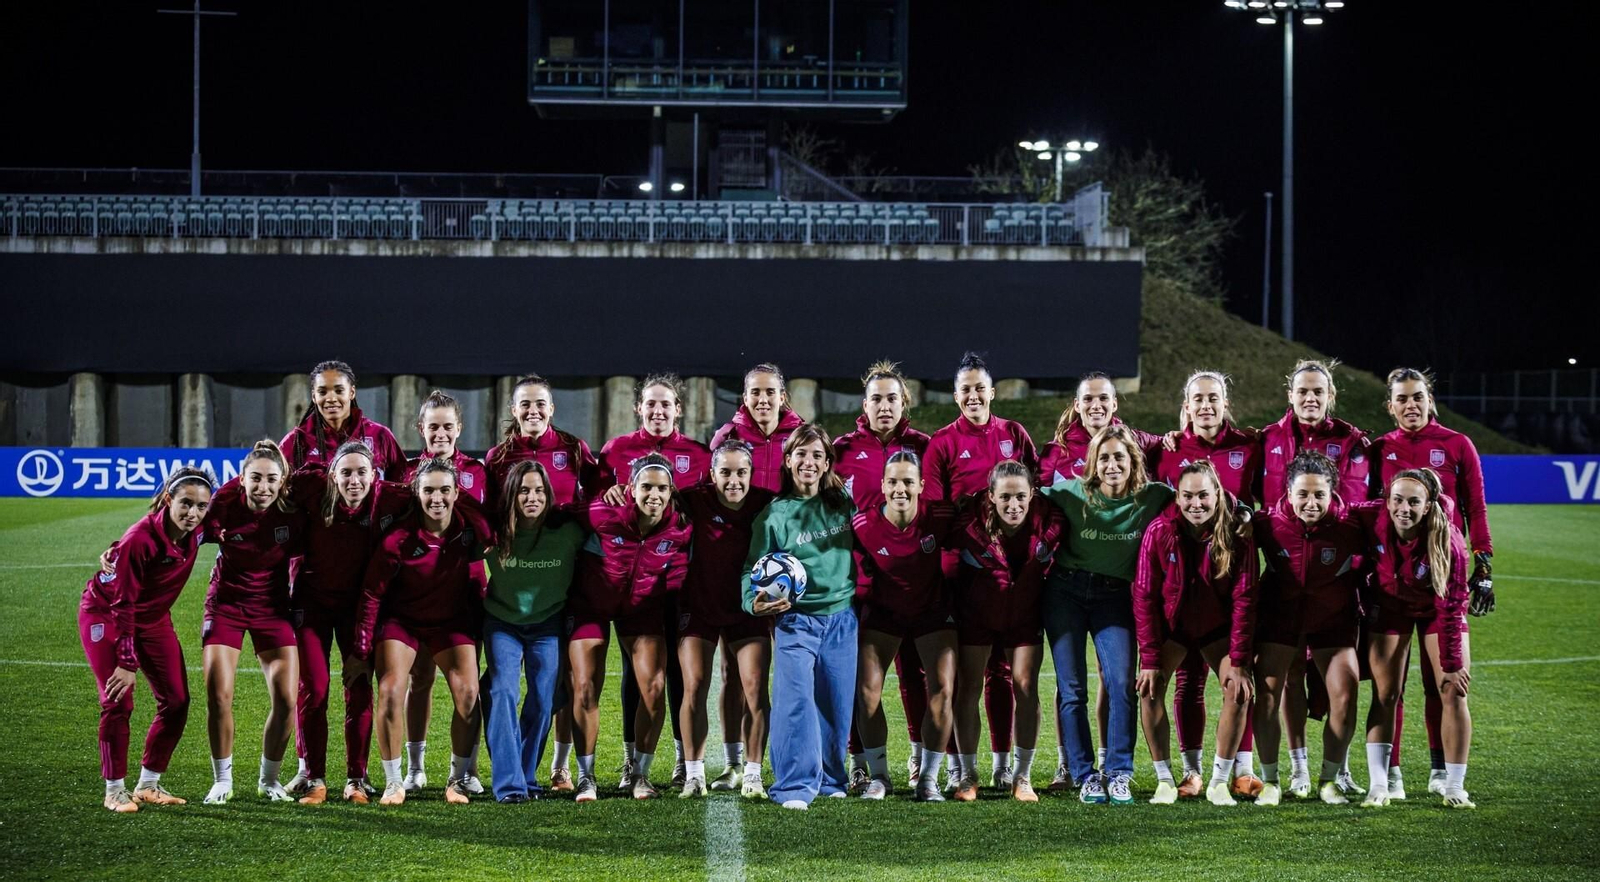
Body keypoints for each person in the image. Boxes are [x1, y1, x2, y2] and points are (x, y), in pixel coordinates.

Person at [1369, 367, 1495, 798]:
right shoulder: (1380, 449)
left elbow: (1475, 509)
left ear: (1430, 399)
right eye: (1402, 399)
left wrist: (1484, 565)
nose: (1411, 405)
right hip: (1394, 580)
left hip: (1443, 575)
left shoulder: (1457, 444)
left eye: (1417, 397)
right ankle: (1394, 771)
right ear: (1390, 406)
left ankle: (1441, 770)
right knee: (1392, 686)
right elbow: (1369, 509)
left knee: (1438, 681)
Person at [1036, 371, 1162, 790]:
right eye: (1104, 459)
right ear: (1092, 464)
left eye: (1120, 459)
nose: (1112, 465)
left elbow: (1204, 492)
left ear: (1133, 462)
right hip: (1066, 593)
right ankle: (1083, 774)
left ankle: (1120, 772)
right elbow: (1015, 497)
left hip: (1114, 597)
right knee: (1072, 690)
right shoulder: (1070, 491)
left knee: (1122, 683)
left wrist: (1245, 513)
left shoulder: (1152, 495)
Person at [922, 352, 1037, 792]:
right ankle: (964, 770)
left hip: (1020, 574)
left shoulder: (1013, 433)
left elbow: (1035, 493)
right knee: (971, 677)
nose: (973, 395)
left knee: (1013, 677)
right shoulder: (943, 442)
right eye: (965, 389)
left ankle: (1008, 767)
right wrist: (969, 525)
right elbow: (935, 508)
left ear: (992, 391)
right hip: (967, 575)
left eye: (979, 387)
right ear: (956, 396)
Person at [1260, 359, 1374, 797]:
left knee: (1348, 687)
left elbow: (1394, 512)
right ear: (1290, 394)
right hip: (1284, 604)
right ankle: (1293, 770)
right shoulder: (1265, 519)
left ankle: (1335, 773)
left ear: (1331, 396)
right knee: (1282, 683)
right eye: (1302, 391)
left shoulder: (1353, 450)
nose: (1310, 398)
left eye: (1318, 391)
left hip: (1335, 600)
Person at [1150, 370, 1264, 799]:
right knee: (1188, 682)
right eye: (1197, 398)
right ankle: (1192, 771)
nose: (1205, 405)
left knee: (1240, 674)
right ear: (1186, 405)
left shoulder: (1249, 447)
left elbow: (1267, 502)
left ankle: (1242, 769)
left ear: (1225, 402)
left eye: (1213, 398)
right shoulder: (1169, 451)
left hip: (1227, 581)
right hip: (1179, 589)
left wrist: (1252, 519)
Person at [355, 457, 492, 806]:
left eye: (445, 490)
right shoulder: (398, 538)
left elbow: (492, 531)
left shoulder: (469, 530)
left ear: (456, 492)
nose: (437, 498)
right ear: (416, 493)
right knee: (390, 690)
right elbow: (372, 593)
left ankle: (458, 779)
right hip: (403, 622)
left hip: (451, 622)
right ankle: (393, 781)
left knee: (468, 694)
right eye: (428, 490)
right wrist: (361, 649)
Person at [597, 373, 711, 791]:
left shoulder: (699, 455)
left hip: (683, 583)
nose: (659, 411)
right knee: (636, 672)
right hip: (637, 586)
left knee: (682, 672)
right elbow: (597, 503)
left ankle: (684, 760)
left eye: (667, 404)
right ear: (638, 408)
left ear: (678, 409)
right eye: (651, 404)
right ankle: (632, 762)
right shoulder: (616, 451)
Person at [283, 440, 413, 805]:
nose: (354, 480)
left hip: (359, 609)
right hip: (312, 607)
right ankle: (314, 777)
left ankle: (356, 778)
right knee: (316, 689)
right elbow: (266, 477)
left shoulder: (389, 498)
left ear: (375, 475)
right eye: (346, 473)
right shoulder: (313, 490)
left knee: (358, 687)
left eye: (361, 472)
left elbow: (436, 496)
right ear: (331, 476)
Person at [79, 467, 214, 812]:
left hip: (152, 618)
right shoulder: (141, 539)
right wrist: (126, 664)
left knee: (177, 700)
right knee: (118, 699)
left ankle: (149, 785)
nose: (193, 513)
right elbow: (124, 605)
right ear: (168, 499)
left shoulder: (199, 530)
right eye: (185, 503)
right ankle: (114, 790)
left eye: (201, 506)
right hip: (107, 613)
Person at [741, 424, 859, 810]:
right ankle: (794, 786)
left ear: (827, 463)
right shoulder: (773, 516)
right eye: (801, 454)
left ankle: (829, 778)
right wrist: (752, 601)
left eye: (817, 456)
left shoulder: (842, 501)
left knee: (835, 703)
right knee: (795, 702)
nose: (809, 462)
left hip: (843, 618)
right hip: (797, 622)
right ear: (788, 460)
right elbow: (751, 571)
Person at [1132, 461, 1259, 807]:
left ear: (1217, 494)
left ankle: (1219, 781)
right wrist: (1150, 659)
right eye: (1187, 496)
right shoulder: (1159, 531)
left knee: (1238, 690)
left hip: (1216, 629)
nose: (1196, 503)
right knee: (1149, 689)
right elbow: (1144, 596)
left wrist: (1240, 661)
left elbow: (1244, 599)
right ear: (1178, 496)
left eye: (1203, 495)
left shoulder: (1237, 532)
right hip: (1174, 629)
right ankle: (1164, 780)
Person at [568, 453, 693, 802]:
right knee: (585, 687)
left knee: (654, 689)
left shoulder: (680, 526)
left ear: (671, 492)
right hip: (590, 606)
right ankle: (585, 776)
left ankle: (639, 773)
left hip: (640, 610)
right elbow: (559, 514)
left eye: (662, 488)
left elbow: (682, 567)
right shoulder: (602, 512)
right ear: (631, 488)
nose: (654, 494)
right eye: (646, 487)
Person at [832, 360, 933, 788]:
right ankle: (859, 761)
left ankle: (916, 756)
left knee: (916, 674)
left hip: (915, 580)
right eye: (877, 398)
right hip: (858, 586)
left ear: (904, 402)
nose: (884, 405)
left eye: (893, 398)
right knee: (860, 679)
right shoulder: (842, 450)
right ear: (864, 404)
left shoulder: (926, 447)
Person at [1250, 451, 1366, 806]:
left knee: (1345, 692)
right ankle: (1272, 780)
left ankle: (1329, 780)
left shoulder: (1351, 525)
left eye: (1319, 494)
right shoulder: (1266, 524)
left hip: (1332, 620)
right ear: (1287, 492)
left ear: (1333, 493)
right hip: (1280, 618)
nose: (1311, 502)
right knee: (1267, 694)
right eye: (1303, 494)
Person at [194, 440, 305, 805]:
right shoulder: (223, 505)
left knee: (288, 699)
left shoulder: (292, 512)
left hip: (272, 608)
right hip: (226, 604)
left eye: (271, 479)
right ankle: (222, 780)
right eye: (255, 478)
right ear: (241, 479)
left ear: (283, 480)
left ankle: (269, 780)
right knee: (219, 694)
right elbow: (182, 530)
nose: (263, 487)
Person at [1358, 468, 1474, 808]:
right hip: (1390, 608)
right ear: (1387, 500)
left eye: (1413, 502)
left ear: (1427, 506)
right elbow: (1336, 511)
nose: (1403, 508)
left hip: (1436, 613)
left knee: (1452, 689)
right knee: (1385, 693)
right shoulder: (1373, 515)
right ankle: (1381, 784)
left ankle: (1454, 786)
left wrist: (1452, 665)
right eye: (1397, 500)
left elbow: (1451, 609)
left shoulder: (1449, 543)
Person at [949, 462, 1065, 803]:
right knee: (969, 686)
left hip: (1025, 615)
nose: (1013, 505)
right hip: (977, 615)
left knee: (1026, 685)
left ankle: (1022, 776)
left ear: (1032, 495)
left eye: (1020, 497)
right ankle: (969, 775)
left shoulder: (1051, 521)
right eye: (1005, 497)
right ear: (990, 496)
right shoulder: (968, 523)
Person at [849, 450, 958, 802]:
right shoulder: (863, 525)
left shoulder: (940, 515)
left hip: (931, 611)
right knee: (866, 692)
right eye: (893, 481)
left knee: (942, 689)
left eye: (908, 482)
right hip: (884, 612)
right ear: (882, 485)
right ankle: (879, 776)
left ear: (921, 486)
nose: (900, 488)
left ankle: (927, 779)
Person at [674, 441, 777, 798]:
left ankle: (750, 773)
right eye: (726, 472)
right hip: (699, 606)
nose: (734, 480)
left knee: (752, 687)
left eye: (741, 472)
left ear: (751, 473)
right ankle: (693, 774)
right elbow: (648, 497)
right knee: (696, 684)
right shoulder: (693, 499)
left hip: (747, 609)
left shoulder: (766, 502)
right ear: (712, 474)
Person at [399, 390, 490, 798]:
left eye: (447, 426)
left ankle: (462, 770)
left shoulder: (478, 471)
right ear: (421, 428)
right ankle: (416, 767)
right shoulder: (405, 473)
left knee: (466, 686)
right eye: (432, 426)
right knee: (419, 679)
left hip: (466, 591)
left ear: (459, 429)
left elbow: (488, 526)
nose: (439, 432)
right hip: (416, 592)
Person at [480, 461, 586, 803]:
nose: (532, 496)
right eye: (524, 490)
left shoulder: (567, 531)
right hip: (502, 623)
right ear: (512, 494)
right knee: (502, 691)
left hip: (548, 624)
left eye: (539, 490)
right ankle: (510, 786)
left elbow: (603, 518)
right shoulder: (494, 532)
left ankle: (525, 776)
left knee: (543, 699)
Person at [279, 360, 406, 476]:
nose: (331, 399)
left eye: (339, 391)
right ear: (314, 396)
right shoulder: (295, 442)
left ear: (352, 392)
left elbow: (402, 485)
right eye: (322, 392)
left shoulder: (380, 436)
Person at [710, 363, 805, 493]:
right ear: (745, 399)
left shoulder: (802, 436)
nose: (763, 400)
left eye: (770, 392)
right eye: (755, 392)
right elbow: (711, 485)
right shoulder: (728, 436)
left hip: (788, 513)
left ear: (782, 398)